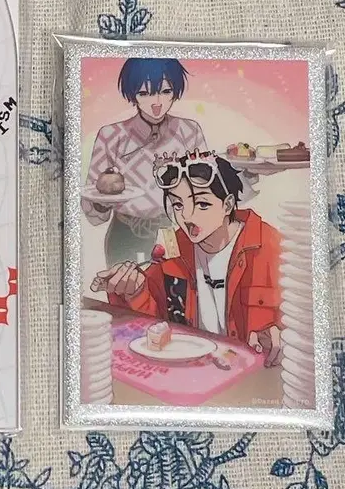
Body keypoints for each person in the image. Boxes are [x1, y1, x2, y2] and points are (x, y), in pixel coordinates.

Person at [93, 151, 282, 366]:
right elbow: (154, 322)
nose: (187, 216)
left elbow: (302, 318)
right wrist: (135, 290)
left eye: (202, 204)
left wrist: (282, 334)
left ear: (228, 205)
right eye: (178, 205)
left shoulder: (271, 246)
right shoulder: (173, 250)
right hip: (193, 370)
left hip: (253, 372)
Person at [84, 58, 207, 266]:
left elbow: (206, 186)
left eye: (166, 91)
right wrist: (101, 205)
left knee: (177, 285)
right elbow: (91, 206)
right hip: (126, 235)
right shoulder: (111, 135)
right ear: (132, 94)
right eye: (144, 93)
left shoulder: (189, 131)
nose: (157, 102)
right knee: (125, 286)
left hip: (175, 231)